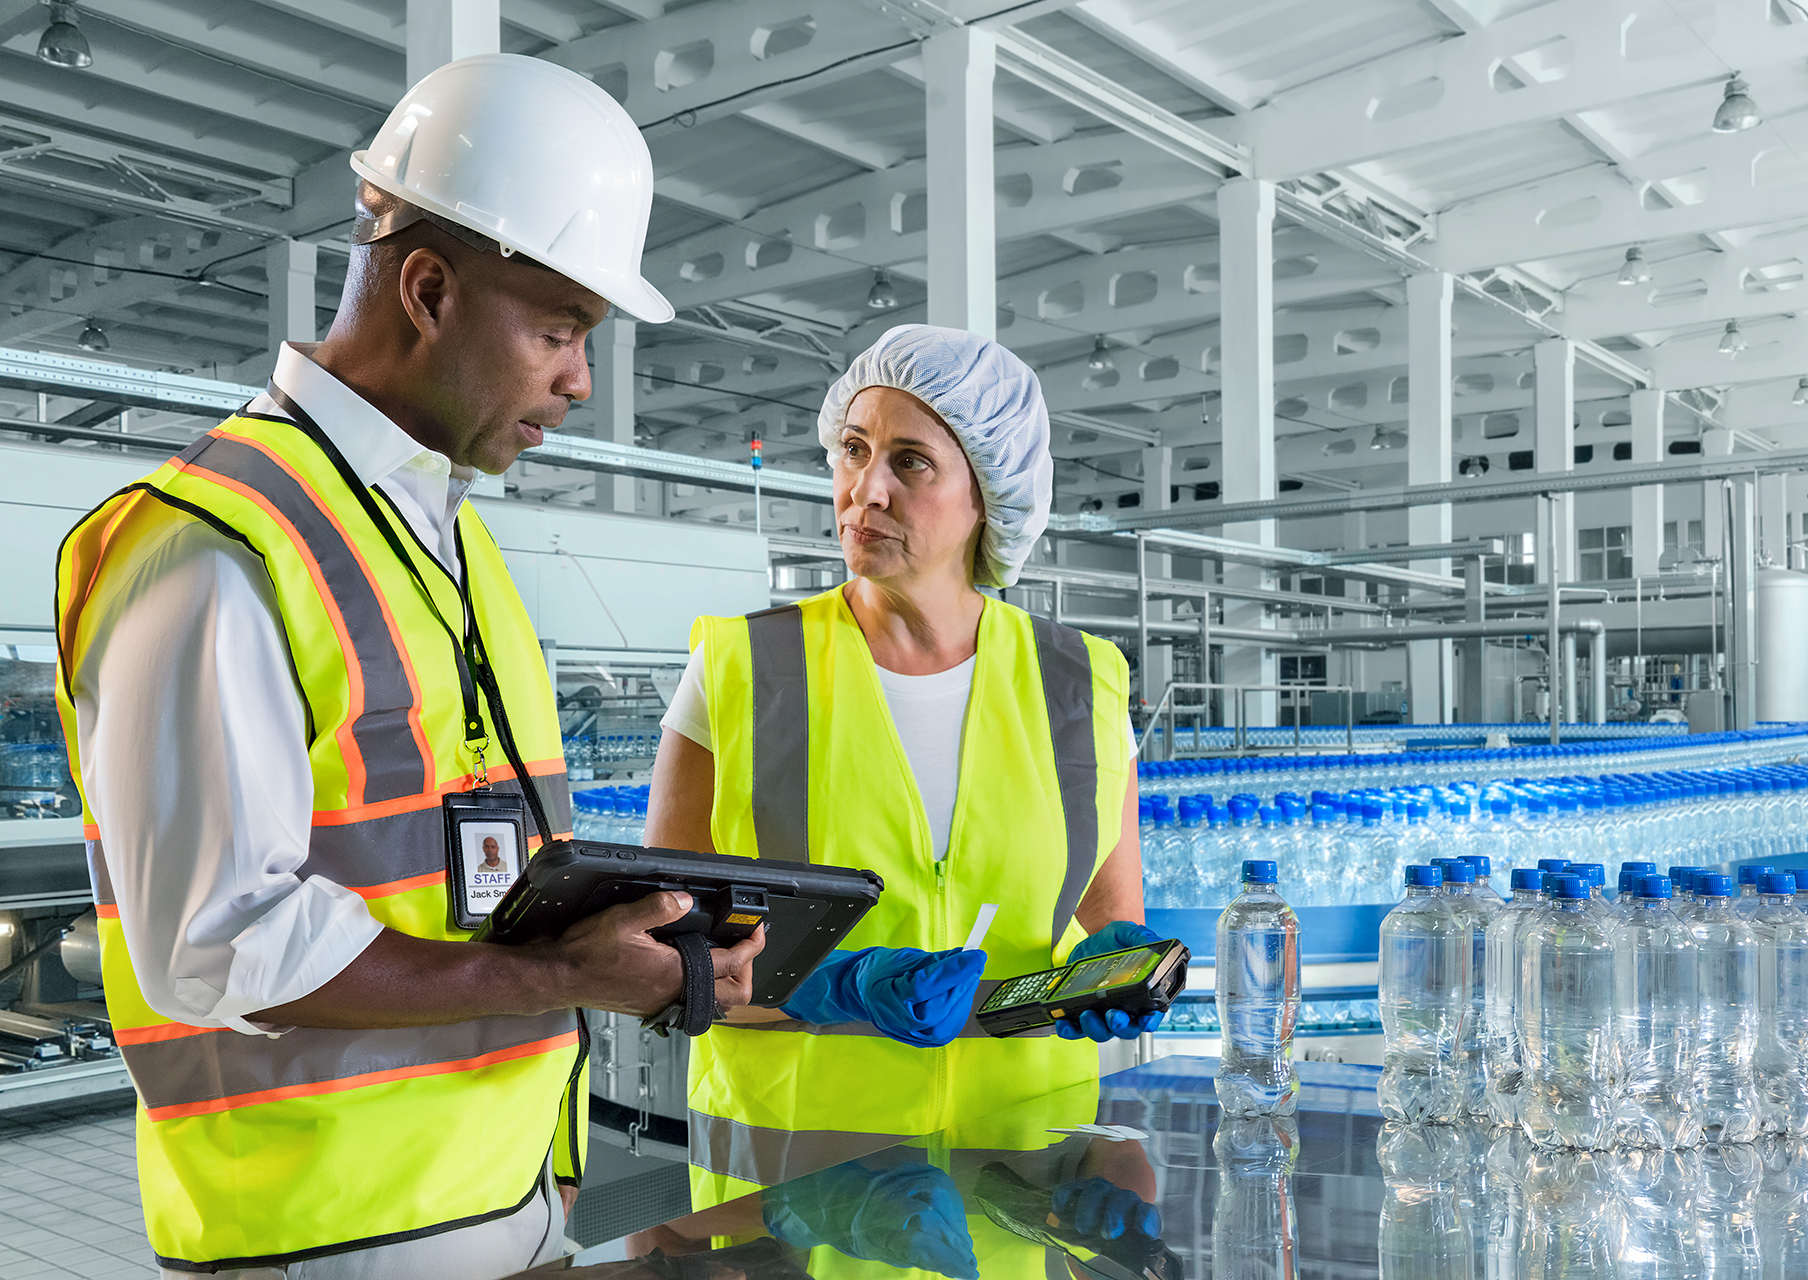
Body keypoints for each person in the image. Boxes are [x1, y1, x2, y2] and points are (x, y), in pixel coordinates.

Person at [53, 54, 761, 1279]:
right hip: (323, 1240)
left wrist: (636, 938)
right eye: (557, 329)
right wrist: (554, 971)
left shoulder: (453, 542)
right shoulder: (211, 550)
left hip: (514, 1203)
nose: (580, 380)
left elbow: (446, 862)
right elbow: (215, 944)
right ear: (428, 286)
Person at [646, 324, 1159, 1207]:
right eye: (853, 450)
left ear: (985, 496)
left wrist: (1121, 977)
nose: (864, 490)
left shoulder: (1082, 684)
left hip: (1017, 1192)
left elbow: (1112, 930)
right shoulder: (739, 669)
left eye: (911, 462)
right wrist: (839, 990)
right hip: (788, 1209)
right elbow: (661, 961)